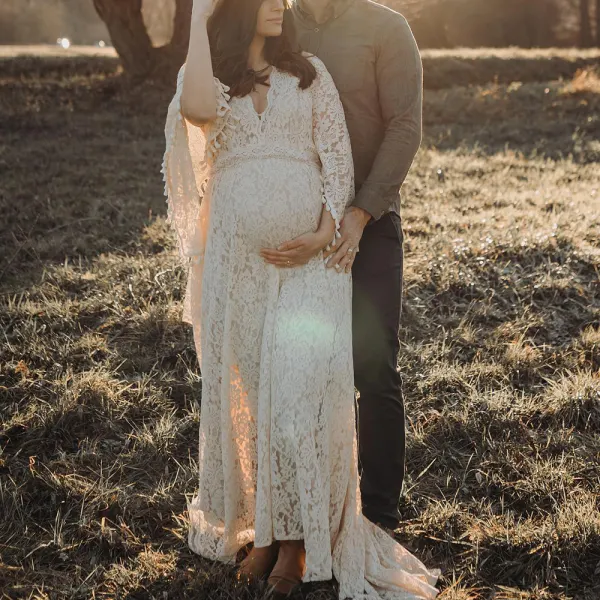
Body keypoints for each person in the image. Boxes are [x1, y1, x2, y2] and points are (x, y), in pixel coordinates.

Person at [162, 0, 440, 597]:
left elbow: (388, 132)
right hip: (255, 263)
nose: (273, 5)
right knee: (264, 393)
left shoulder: (372, 35)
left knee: (359, 372)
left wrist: (344, 222)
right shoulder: (260, 46)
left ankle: (364, 521)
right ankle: (271, 528)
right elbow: (200, 108)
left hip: (357, 228)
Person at [291, 0, 423, 535]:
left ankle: (379, 521)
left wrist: (360, 211)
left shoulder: (386, 28)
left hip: (370, 226)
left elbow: (404, 126)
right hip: (295, 230)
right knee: (300, 372)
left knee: (373, 369)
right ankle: (306, 512)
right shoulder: (275, 25)